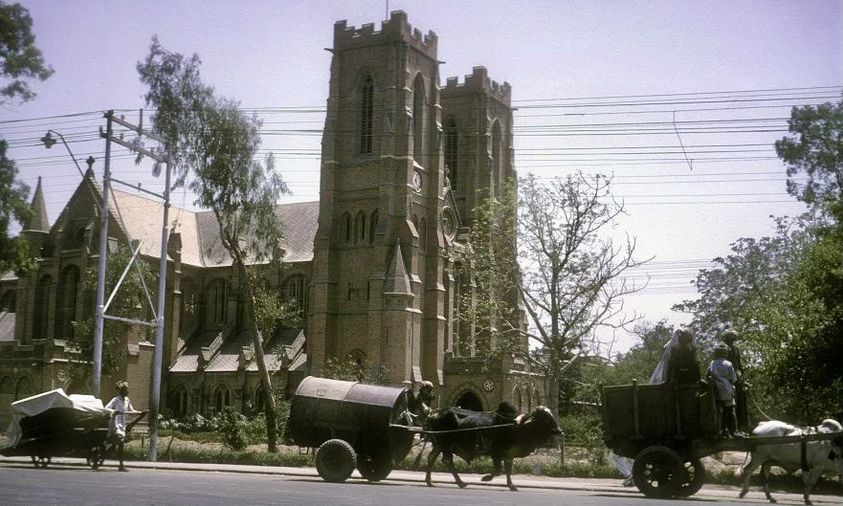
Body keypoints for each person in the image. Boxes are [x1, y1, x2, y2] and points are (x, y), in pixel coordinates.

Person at [708, 343, 742, 438]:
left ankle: (722, 431)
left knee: (720, 412)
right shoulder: (728, 364)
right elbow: (734, 379)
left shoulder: (712, 363)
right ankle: (734, 431)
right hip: (727, 391)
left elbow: (708, 375)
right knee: (731, 411)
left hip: (716, 391)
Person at [720, 329, 749, 431]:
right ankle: (731, 428)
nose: (732, 339)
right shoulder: (724, 349)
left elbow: (739, 364)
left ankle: (742, 426)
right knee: (730, 404)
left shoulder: (735, 349)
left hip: (737, 378)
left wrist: (742, 378)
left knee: (741, 401)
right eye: (730, 337)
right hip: (728, 379)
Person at [105, 380, 136, 472]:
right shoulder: (115, 400)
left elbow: (131, 411)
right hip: (115, 424)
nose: (127, 391)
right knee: (121, 443)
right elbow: (106, 408)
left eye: (127, 389)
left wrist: (141, 412)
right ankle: (121, 465)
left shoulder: (127, 400)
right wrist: (114, 411)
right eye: (125, 389)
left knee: (117, 444)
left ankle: (107, 452)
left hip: (123, 425)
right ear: (120, 391)